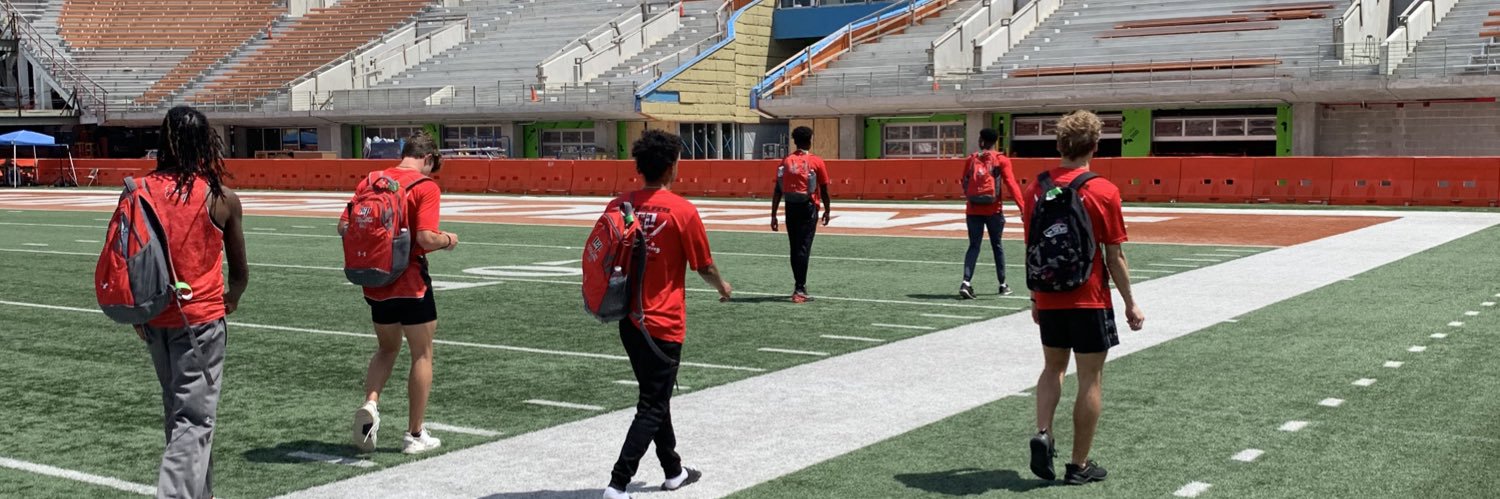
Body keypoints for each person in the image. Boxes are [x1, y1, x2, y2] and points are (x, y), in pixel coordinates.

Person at [603, 129, 732, 499]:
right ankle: (618, 482)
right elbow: (703, 265)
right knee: (653, 403)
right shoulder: (682, 210)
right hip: (663, 323)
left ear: (639, 166)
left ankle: (673, 471)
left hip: (628, 319)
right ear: (673, 166)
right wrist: (723, 287)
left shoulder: (619, 205)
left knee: (655, 396)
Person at [1022, 111, 1145, 485]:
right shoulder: (1103, 191)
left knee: (1052, 368)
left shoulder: (1036, 189)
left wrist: (1034, 298)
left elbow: (1032, 246)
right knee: (1090, 377)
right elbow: (1114, 256)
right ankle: (1079, 464)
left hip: (1048, 295)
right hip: (1089, 297)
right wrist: (1130, 301)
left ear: (1059, 146)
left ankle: (1043, 432)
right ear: (1094, 146)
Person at [137, 106, 249, 499]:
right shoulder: (220, 198)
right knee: (195, 419)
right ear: (205, 144)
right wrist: (230, 299)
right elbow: (239, 271)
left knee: (180, 415)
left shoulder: (139, 191)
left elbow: (128, 258)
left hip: (154, 317)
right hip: (200, 317)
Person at [339, 131, 460, 455]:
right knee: (422, 353)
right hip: (410, 283)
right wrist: (449, 239)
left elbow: (344, 226)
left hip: (376, 281)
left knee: (386, 349)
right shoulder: (425, 187)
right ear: (429, 159)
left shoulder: (371, 182)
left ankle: (371, 404)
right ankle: (415, 433)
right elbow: (425, 237)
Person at [958, 128, 1026, 299]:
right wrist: (1023, 208)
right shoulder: (1001, 160)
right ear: (996, 141)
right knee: (997, 246)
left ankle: (966, 282)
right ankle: (1003, 285)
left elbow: (964, 181)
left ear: (981, 140)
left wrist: (972, 198)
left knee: (974, 246)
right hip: (994, 210)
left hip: (973, 209)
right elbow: (1011, 184)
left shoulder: (972, 159)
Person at [769, 126, 830, 303]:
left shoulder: (786, 161)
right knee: (804, 248)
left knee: (794, 247)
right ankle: (800, 288)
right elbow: (824, 188)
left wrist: (773, 215)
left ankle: (798, 285)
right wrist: (827, 209)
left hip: (790, 207)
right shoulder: (816, 161)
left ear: (794, 141)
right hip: (808, 207)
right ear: (810, 140)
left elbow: (777, 190)